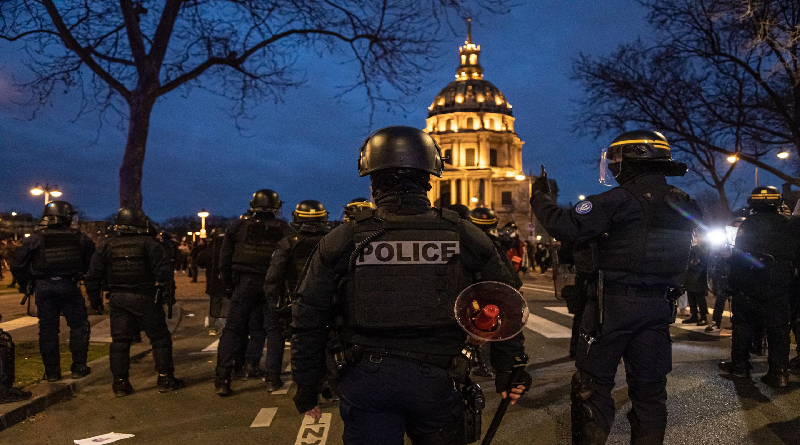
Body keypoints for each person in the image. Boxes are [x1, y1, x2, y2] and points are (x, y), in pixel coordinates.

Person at [291, 126, 531, 444]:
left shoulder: (344, 239)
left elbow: (309, 315)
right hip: (439, 378)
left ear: (373, 182)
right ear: (429, 178)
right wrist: (509, 368)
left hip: (366, 378)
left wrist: (307, 385)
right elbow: (505, 302)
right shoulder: (464, 235)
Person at [530, 130, 701, 444]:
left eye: (617, 160)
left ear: (633, 159)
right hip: (659, 306)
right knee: (650, 392)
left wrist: (541, 196)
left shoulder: (619, 200)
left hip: (612, 305)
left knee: (591, 387)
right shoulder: (684, 200)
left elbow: (565, 225)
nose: (612, 167)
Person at [84, 208, 185, 396]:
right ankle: (165, 378)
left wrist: (94, 300)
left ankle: (120, 383)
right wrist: (167, 297)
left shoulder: (107, 245)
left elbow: (93, 275)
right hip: (145, 297)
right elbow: (164, 273)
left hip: (118, 298)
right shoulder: (150, 244)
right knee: (160, 338)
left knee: (120, 341)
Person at [214, 189, 296, 395]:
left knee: (232, 331)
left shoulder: (238, 227)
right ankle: (272, 379)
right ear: (276, 207)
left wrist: (229, 286)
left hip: (244, 284)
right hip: (272, 286)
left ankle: (223, 380)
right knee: (274, 332)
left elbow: (224, 261)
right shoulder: (285, 230)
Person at [718, 186, 798, 387]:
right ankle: (779, 373)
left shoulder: (747, 225)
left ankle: (740, 367)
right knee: (779, 328)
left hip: (748, 285)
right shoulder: (789, 224)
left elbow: (739, 258)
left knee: (743, 324)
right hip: (780, 285)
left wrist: (731, 281)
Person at [12, 201, 96, 382]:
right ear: (66, 217)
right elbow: (92, 264)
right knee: (79, 326)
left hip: (44, 287)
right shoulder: (80, 238)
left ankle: (52, 372)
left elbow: (18, 265)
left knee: (48, 330)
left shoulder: (35, 238)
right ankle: (78, 367)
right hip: (69, 286)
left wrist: (26, 285)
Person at [265, 200, 333, 341]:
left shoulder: (288, 243)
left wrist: (278, 308)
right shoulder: (334, 242)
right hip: (330, 304)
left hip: (298, 305)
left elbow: (273, 278)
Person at [468, 207, 523, 378]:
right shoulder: (497, 242)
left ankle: (484, 366)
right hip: (496, 292)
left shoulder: (470, 243)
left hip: (477, 293)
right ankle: (488, 365)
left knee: (481, 328)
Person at [680, 230, 710, 326]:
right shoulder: (694, 248)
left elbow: (704, 262)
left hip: (700, 276)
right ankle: (694, 316)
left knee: (699, 297)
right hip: (691, 275)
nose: (699, 238)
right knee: (691, 295)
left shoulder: (706, 249)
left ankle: (703, 317)